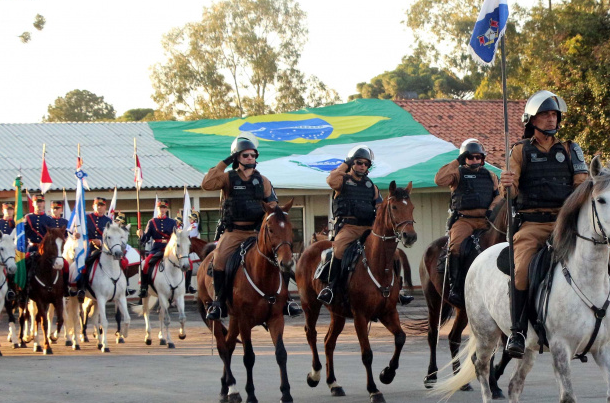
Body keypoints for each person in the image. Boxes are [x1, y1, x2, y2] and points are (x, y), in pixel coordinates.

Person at [499, 90, 610, 358]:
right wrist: (507, 184)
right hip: (534, 224)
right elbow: (511, 191)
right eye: (545, 114)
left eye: (554, 115)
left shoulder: (571, 149)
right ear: (532, 119)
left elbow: (581, 185)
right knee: (523, 267)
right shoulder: (519, 151)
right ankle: (517, 331)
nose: (551, 120)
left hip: (567, 224)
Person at [201, 133, 302, 320]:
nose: (250, 158)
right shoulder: (227, 178)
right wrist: (224, 162)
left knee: (281, 258)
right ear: (236, 157)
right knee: (219, 259)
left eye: (253, 155)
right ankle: (219, 303)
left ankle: (286, 300)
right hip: (234, 232)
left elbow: (272, 205)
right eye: (245, 155)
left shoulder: (262, 180)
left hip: (257, 233)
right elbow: (207, 184)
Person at [317, 145, 416, 306]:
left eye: (365, 164)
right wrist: (346, 164)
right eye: (358, 162)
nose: (362, 166)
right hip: (347, 227)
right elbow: (330, 180)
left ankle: (397, 290)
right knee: (340, 249)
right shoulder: (342, 181)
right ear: (352, 163)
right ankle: (331, 288)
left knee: (395, 254)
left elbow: (380, 208)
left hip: (368, 229)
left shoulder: (372, 187)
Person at [434, 139, 502, 308]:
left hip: (486, 220)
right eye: (470, 157)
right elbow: (439, 180)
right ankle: (455, 288)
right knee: (455, 246)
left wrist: (492, 209)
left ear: (482, 159)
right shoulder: (457, 173)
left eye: (478, 157)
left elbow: (500, 195)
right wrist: (457, 161)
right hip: (464, 220)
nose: (474, 160)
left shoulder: (490, 175)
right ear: (464, 158)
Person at [137, 198, 177, 298]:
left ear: (167, 209)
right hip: (157, 248)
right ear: (157, 209)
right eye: (160, 208)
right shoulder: (152, 222)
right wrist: (141, 235)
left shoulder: (172, 222)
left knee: (187, 262)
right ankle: (144, 287)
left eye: (164, 208)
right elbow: (146, 238)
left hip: (170, 248)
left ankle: (186, 285)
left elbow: (176, 236)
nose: (162, 210)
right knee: (145, 264)